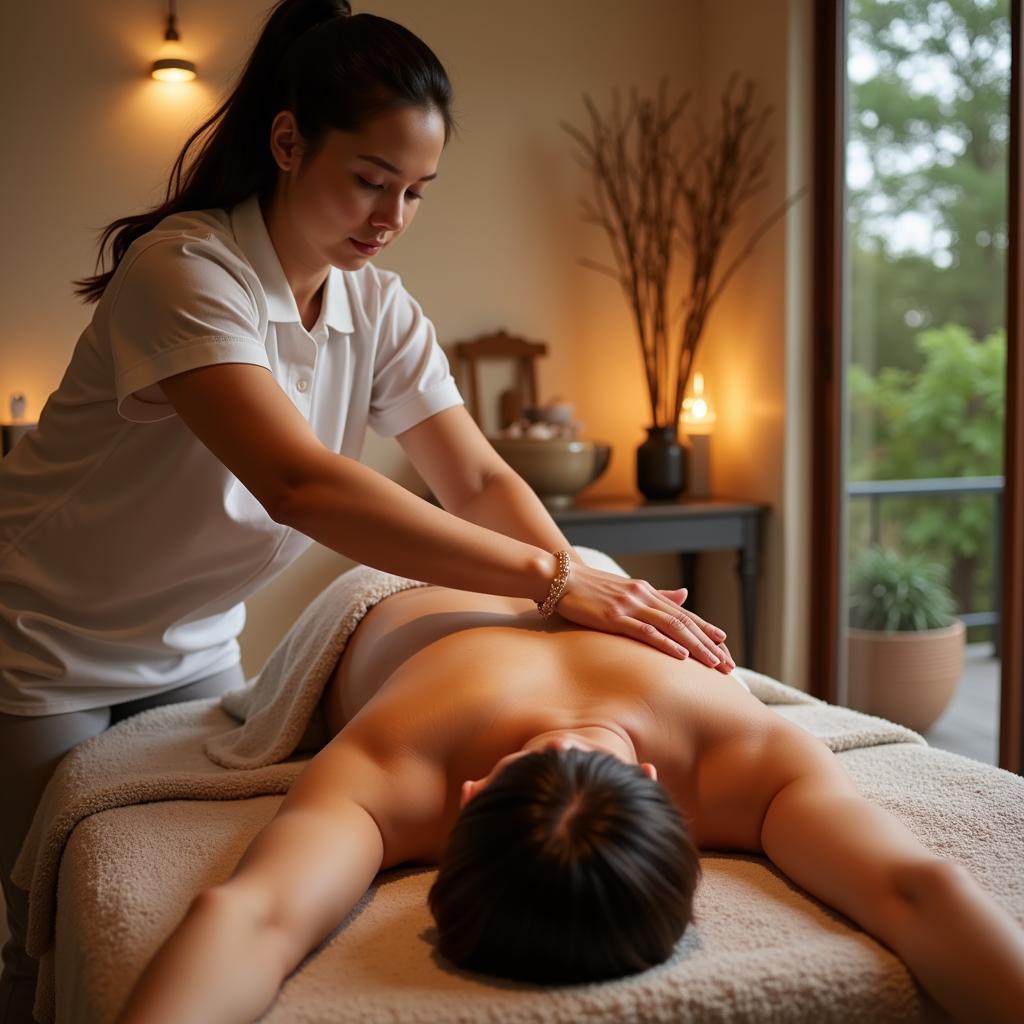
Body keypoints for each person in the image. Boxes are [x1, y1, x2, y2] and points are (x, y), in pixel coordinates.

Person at [0, 2, 735, 1018]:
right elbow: (297, 484)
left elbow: (475, 479)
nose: (389, 218)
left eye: (416, 192)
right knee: (35, 919)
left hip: (200, 641)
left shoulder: (375, 306)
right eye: (369, 180)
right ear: (290, 142)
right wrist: (551, 578)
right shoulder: (183, 270)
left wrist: (595, 589)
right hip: (47, 632)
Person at [116, 577, 1024, 1024]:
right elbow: (918, 889)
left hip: (419, 604)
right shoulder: (751, 758)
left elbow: (252, 917)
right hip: (490, 582)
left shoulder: (401, 767)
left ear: (466, 797)